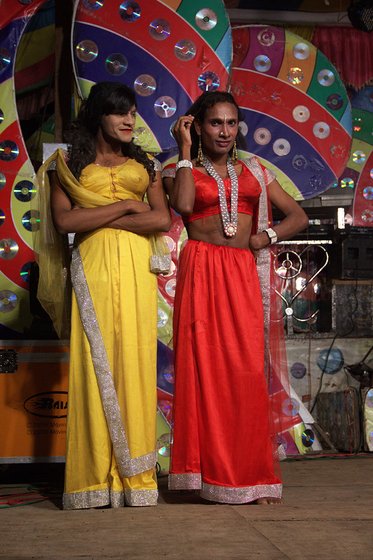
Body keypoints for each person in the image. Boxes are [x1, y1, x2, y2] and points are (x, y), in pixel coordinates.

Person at [162, 90, 309, 504]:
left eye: (231, 123)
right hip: (202, 272)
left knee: (246, 373)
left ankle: (252, 474)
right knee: (205, 371)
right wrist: (185, 150)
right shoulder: (177, 169)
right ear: (197, 125)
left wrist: (267, 236)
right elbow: (185, 205)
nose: (225, 131)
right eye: (215, 123)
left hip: (242, 273)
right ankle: (208, 476)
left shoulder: (255, 171)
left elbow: (298, 215)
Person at [37, 81, 171, 509]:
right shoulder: (66, 163)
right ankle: (92, 480)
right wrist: (127, 207)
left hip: (136, 269)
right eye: (120, 113)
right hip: (92, 267)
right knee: (94, 365)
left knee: (133, 360)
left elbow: (162, 219)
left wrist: (102, 218)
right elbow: (63, 222)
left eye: (132, 112)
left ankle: (137, 479)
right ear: (99, 116)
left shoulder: (145, 164)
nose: (130, 120)